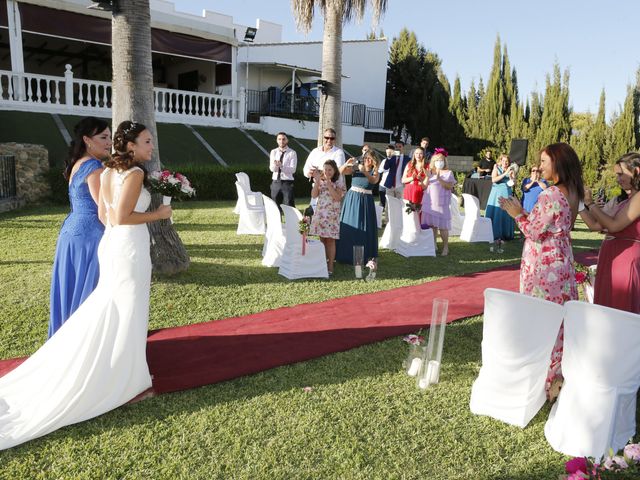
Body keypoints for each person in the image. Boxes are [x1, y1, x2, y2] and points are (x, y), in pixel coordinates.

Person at [0, 121, 172, 450]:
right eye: (147, 141)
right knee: (128, 308)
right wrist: (159, 214)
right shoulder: (134, 175)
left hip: (112, 246)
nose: (152, 147)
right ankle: (127, 379)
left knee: (112, 305)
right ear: (132, 146)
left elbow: (107, 219)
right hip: (130, 247)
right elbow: (121, 217)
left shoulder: (106, 172)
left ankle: (115, 363)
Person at [499, 142, 584, 400]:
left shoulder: (550, 195)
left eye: (545, 162)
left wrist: (516, 214)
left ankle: (541, 381)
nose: (541, 166)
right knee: (559, 320)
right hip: (562, 260)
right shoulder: (572, 192)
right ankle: (557, 375)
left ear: (558, 163)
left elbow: (534, 231)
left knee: (540, 319)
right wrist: (525, 212)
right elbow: (551, 224)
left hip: (543, 265)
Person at [49, 117, 111, 338]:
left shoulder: (78, 163)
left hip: (71, 232)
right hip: (90, 235)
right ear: (87, 139)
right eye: (103, 137)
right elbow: (103, 212)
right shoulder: (95, 167)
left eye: (110, 137)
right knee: (90, 292)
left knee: (73, 288)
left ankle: (69, 340)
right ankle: (85, 343)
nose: (109, 142)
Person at [579, 153, 640, 314]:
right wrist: (581, 204)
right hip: (610, 255)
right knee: (607, 305)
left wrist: (591, 204)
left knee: (621, 305)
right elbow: (595, 225)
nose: (618, 179)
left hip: (625, 258)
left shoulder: (639, 198)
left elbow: (613, 225)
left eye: (621, 174)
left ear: (636, 171)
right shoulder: (623, 201)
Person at [336, 150, 380, 264]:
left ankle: (362, 256)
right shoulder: (355, 168)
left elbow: (373, 180)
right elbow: (339, 172)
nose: (367, 160)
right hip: (352, 199)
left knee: (364, 227)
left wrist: (365, 171)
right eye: (365, 158)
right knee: (349, 225)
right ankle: (345, 254)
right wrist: (346, 164)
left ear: (374, 161)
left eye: (370, 158)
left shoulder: (375, 171)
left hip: (366, 201)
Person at [309, 160, 346, 275]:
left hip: (332, 216)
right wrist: (317, 181)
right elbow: (314, 195)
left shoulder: (339, 183)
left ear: (334, 170)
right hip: (320, 214)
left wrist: (329, 184)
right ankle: (322, 263)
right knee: (321, 239)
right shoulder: (320, 181)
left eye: (330, 169)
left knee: (330, 240)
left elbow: (337, 198)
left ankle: (330, 265)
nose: (327, 171)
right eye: (325, 169)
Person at [421, 148, 457, 256]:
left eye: (441, 160)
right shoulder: (430, 171)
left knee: (443, 227)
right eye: (437, 160)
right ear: (433, 161)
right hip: (430, 203)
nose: (439, 162)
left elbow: (450, 187)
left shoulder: (448, 172)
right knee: (432, 226)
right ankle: (433, 244)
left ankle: (445, 247)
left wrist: (439, 179)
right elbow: (424, 187)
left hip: (442, 204)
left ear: (444, 161)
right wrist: (427, 177)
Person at [302, 128, 345, 211]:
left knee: (329, 217)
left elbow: (336, 171)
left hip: (332, 189)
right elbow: (306, 170)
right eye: (327, 138)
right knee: (314, 215)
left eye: (332, 138)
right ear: (323, 138)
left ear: (335, 140)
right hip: (317, 188)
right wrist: (310, 173)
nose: (329, 140)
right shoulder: (315, 151)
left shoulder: (339, 152)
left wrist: (318, 173)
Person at [485, 154, 516, 242]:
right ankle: (495, 234)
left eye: (507, 161)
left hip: (507, 193)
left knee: (506, 212)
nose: (505, 163)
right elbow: (493, 180)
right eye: (503, 161)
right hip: (497, 194)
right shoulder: (496, 168)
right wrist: (505, 174)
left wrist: (511, 177)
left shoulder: (511, 170)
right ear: (500, 161)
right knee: (497, 212)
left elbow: (513, 183)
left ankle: (506, 234)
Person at [269, 131, 297, 210]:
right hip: (275, 181)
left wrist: (281, 166)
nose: (281, 141)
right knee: (275, 206)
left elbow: (293, 169)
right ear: (277, 140)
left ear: (287, 140)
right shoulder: (273, 152)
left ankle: (290, 222)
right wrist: (276, 165)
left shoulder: (292, 153)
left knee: (289, 205)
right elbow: (272, 169)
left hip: (287, 182)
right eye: (279, 139)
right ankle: (277, 222)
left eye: (283, 139)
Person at [402, 146, 429, 212]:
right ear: (414, 154)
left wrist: (421, 179)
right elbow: (403, 180)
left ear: (423, 155)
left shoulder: (427, 166)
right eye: (416, 153)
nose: (418, 155)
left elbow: (426, 186)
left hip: (420, 192)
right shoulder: (409, 164)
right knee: (407, 213)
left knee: (417, 214)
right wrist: (412, 178)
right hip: (409, 191)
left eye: (420, 153)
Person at [377, 144, 395, 212]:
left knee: (390, 204)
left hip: (391, 186)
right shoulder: (384, 160)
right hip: (383, 185)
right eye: (387, 152)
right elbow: (380, 170)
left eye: (390, 152)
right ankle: (380, 219)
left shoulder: (396, 161)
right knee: (382, 203)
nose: (388, 154)